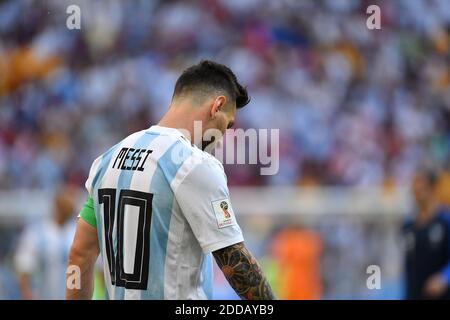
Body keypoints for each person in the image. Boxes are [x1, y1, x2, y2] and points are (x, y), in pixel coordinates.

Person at [66, 60, 275, 300]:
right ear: (217, 105)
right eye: (227, 126)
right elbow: (236, 262)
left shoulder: (106, 160)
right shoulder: (195, 163)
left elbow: (79, 255)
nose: (221, 139)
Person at [14, 184, 77, 299]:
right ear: (57, 205)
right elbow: (24, 269)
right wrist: (28, 295)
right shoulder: (36, 233)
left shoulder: (77, 232)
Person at [403, 170, 450, 299]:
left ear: (432, 188)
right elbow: (408, 266)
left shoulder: (445, 221)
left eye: (419, 183)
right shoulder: (407, 226)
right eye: (413, 184)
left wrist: (444, 278)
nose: (415, 188)